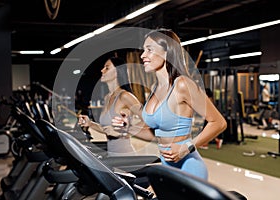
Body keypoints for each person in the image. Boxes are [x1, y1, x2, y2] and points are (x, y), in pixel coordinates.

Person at [113, 29, 227, 180]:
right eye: (143, 50)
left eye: (149, 50)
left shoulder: (183, 84)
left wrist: (187, 148)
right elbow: (155, 134)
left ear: (167, 53)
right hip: (167, 166)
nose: (142, 55)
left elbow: (219, 122)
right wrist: (128, 128)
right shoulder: (155, 87)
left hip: (189, 166)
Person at [78, 56, 153, 156]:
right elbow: (108, 130)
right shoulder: (107, 97)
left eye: (107, 68)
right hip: (112, 156)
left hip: (125, 157)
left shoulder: (125, 96)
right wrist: (90, 124)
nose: (102, 70)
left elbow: (148, 120)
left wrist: (126, 130)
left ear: (117, 72)